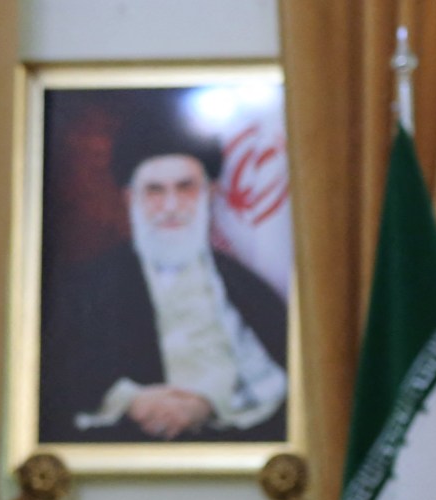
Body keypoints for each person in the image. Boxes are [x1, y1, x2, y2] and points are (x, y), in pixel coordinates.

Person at [38, 115, 289, 443]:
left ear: (210, 193)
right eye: (155, 190)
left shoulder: (249, 289)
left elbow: (280, 383)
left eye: (185, 188)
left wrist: (209, 405)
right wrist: (130, 401)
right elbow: (55, 378)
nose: (171, 206)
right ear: (131, 199)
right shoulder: (84, 289)